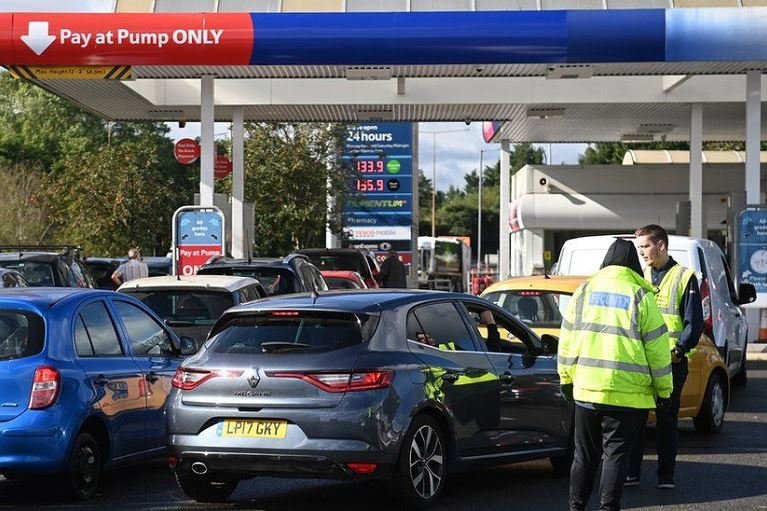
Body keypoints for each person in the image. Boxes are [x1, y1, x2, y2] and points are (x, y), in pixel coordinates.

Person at [558, 238, 673, 511]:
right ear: (633, 264)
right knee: (616, 456)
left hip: (587, 391)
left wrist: (566, 379)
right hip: (628, 396)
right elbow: (658, 351)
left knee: (584, 456)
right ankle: (608, 508)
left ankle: (576, 507)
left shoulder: (583, 291)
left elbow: (568, 341)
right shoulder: (641, 295)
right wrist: (664, 391)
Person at [626, 224, 704, 490]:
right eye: (639, 248)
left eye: (645, 246)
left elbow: (694, 323)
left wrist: (680, 349)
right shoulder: (641, 277)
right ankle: (631, 473)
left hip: (672, 362)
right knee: (635, 418)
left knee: (666, 419)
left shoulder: (685, 277)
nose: (642, 253)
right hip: (642, 362)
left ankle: (665, 476)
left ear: (661, 245)